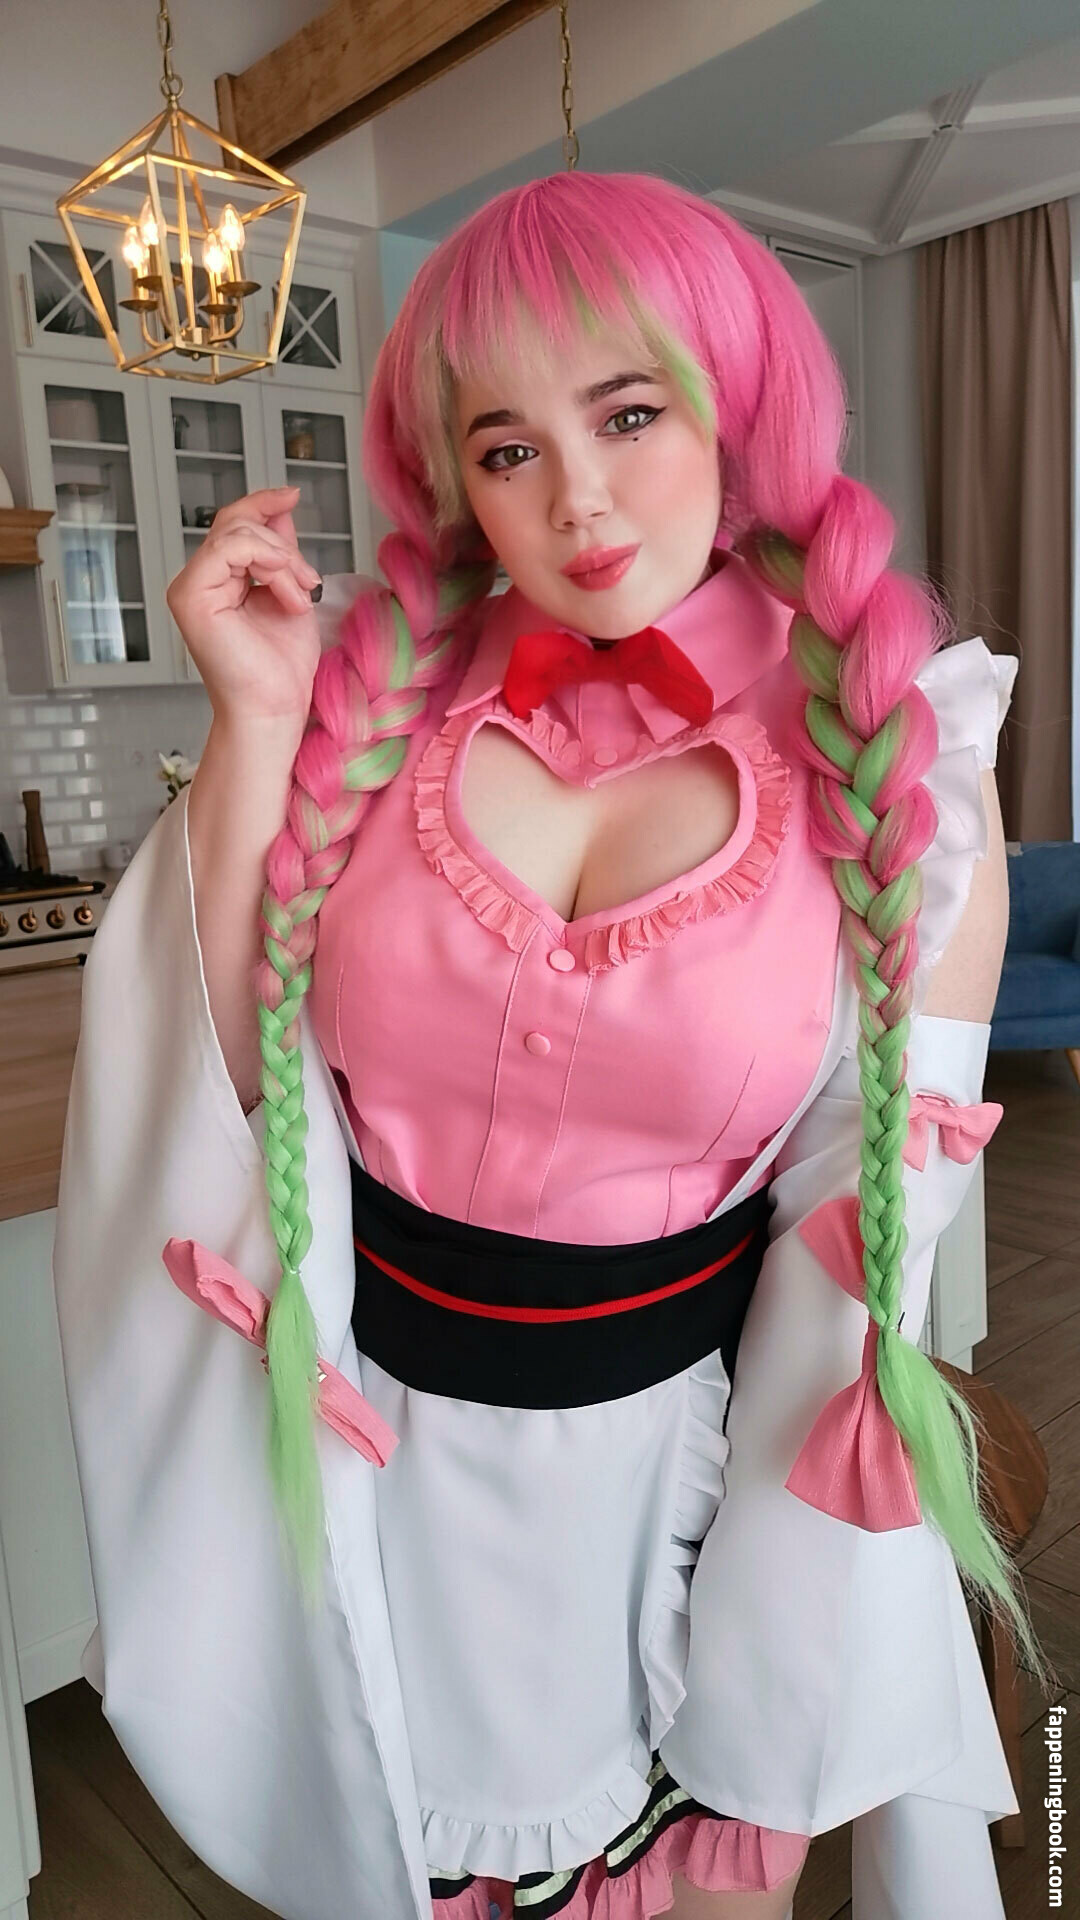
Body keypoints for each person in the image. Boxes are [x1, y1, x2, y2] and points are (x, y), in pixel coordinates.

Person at [53, 171, 1048, 1920]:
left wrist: (801, 1598)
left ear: (738, 408)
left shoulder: (901, 765)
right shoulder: (366, 721)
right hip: (372, 1479)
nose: (576, 499)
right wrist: (258, 721)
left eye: (630, 414)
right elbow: (211, 1084)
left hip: (688, 1496)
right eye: (506, 447)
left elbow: (870, 1247)